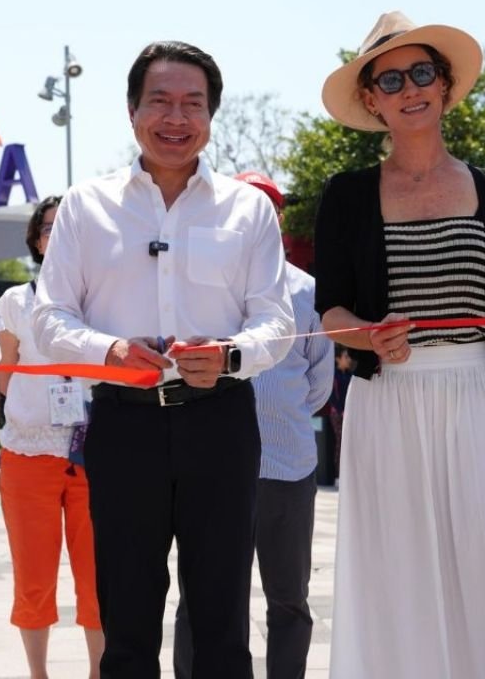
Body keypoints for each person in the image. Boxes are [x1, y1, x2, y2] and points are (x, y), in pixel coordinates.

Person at [32, 40, 294, 679]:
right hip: (124, 425)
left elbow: (278, 323)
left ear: (211, 115)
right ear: (131, 111)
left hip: (221, 422)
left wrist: (230, 355)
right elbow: (48, 318)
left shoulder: (249, 208)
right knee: (126, 620)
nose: (176, 118)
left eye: (192, 104)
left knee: (221, 620)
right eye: (160, 102)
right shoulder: (85, 207)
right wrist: (110, 350)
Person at [314, 11, 485, 678]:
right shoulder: (347, 196)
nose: (409, 88)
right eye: (390, 79)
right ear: (370, 99)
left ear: (445, 86)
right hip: (385, 405)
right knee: (395, 576)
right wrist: (364, 335)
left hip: (481, 397)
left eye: (422, 72)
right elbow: (328, 308)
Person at [173, 171, 332, 679]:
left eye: (265, 206)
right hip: (211, 465)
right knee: (203, 596)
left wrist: (275, 417)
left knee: (288, 598)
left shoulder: (306, 290)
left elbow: (318, 380)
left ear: (277, 220)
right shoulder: (196, 285)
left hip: (285, 464)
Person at [0, 195, 103, 679]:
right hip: (27, 452)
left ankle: (100, 671)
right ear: (35, 240)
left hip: (95, 453)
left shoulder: (103, 300)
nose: (55, 236)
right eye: (46, 229)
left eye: (66, 228)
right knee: (34, 578)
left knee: (99, 579)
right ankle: (38, 673)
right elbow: (3, 375)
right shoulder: (16, 300)